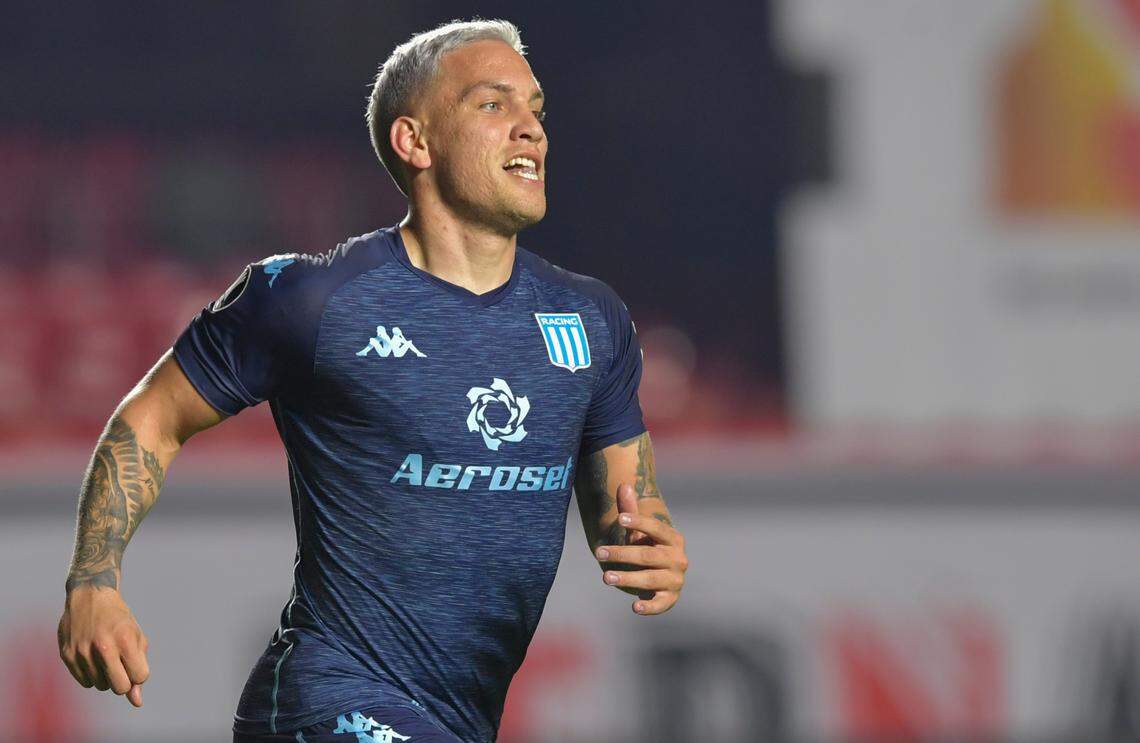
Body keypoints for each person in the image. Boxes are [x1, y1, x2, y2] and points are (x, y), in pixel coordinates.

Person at [57, 18, 688, 743]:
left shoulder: (591, 319)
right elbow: (151, 419)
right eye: (493, 105)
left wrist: (652, 550)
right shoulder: (311, 299)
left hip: (459, 720)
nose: (530, 130)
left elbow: (628, 515)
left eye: (535, 110)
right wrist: (93, 582)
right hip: (326, 700)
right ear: (414, 141)